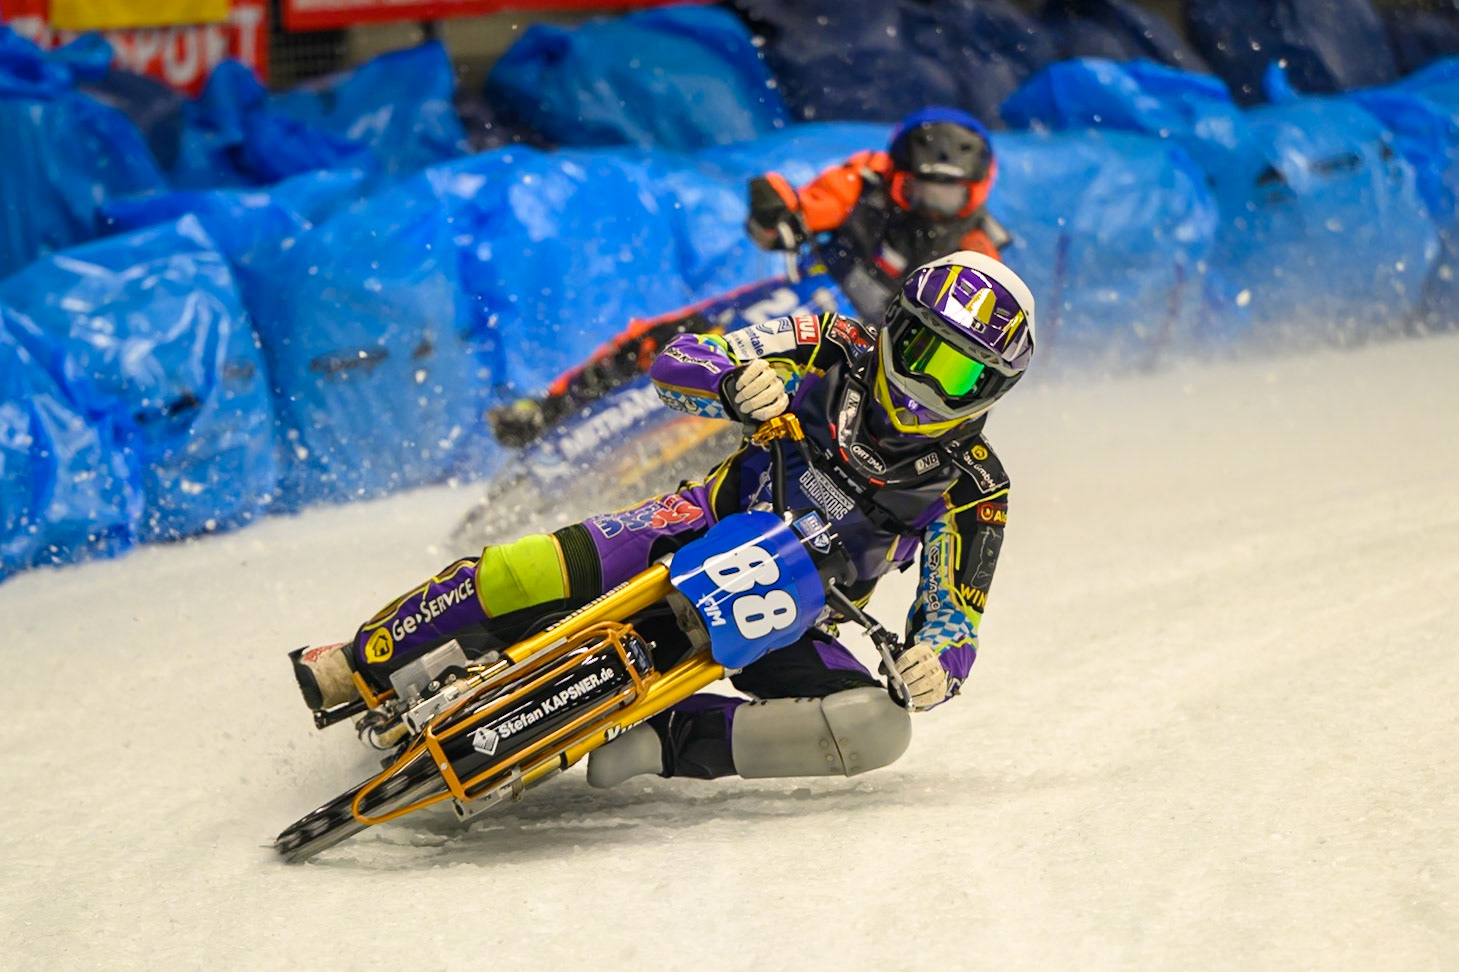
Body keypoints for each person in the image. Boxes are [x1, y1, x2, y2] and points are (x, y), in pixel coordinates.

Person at [295, 251, 1035, 787]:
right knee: (524, 569)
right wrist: (730, 382)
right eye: (917, 353)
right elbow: (679, 358)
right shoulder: (827, 341)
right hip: (692, 520)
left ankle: (665, 741)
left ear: (991, 391)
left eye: (959, 375)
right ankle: (359, 662)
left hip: (795, 617)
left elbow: (954, 620)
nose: (924, 389)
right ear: (890, 326)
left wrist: (933, 669)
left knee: (878, 727)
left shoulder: (975, 487)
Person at [746, 106, 1011, 321]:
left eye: (951, 196)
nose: (933, 208)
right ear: (894, 173)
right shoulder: (862, 183)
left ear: (979, 189)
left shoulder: (978, 248)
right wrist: (773, 210)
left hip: (884, 356)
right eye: (917, 190)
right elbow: (787, 223)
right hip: (810, 302)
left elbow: (974, 332)